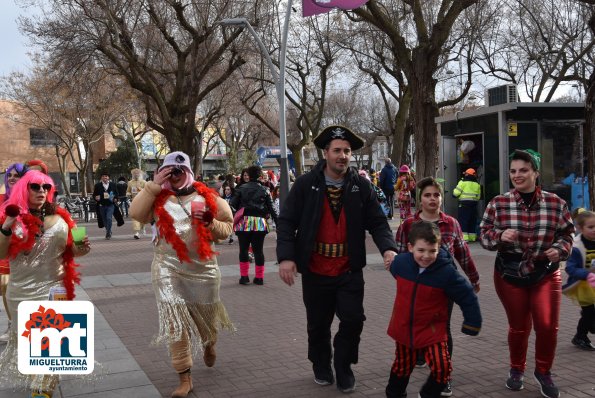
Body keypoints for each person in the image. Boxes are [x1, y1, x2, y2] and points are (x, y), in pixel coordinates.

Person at [277, 125, 398, 393]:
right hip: (316, 271)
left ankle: (343, 367)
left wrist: (389, 249)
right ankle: (321, 364)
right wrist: (286, 258)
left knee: (353, 319)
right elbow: (286, 221)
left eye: (347, 151)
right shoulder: (306, 185)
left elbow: (378, 223)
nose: (342, 155)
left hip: (348, 270)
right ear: (325, 153)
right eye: (337, 150)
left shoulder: (362, 186)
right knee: (318, 325)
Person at [129, 151, 234, 398]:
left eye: (179, 171)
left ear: (188, 172)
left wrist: (210, 223)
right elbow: (136, 214)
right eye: (169, 171)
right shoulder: (156, 197)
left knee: (206, 324)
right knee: (174, 322)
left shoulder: (208, 197)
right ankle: (184, 377)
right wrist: (153, 186)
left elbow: (227, 229)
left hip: (203, 269)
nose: (174, 176)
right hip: (167, 268)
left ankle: (210, 343)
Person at [480, 149, 574, 398]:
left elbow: (567, 234)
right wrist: (500, 236)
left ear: (535, 172)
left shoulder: (556, 203)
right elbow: (484, 236)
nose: (517, 175)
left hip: (545, 271)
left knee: (547, 325)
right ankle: (516, 370)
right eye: (513, 171)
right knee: (519, 327)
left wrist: (559, 249)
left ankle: (543, 371)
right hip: (510, 274)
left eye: (523, 170)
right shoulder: (499, 203)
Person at [0, 170, 91, 396]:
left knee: (50, 347)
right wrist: (7, 226)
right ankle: (39, 387)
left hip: (53, 289)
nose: (42, 191)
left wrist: (82, 248)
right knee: (31, 347)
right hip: (19, 292)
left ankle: (42, 391)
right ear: (24, 188)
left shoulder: (61, 219)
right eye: (35, 186)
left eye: (46, 187)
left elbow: (71, 252)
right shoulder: (10, 219)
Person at [395, 176, 480, 396]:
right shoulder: (408, 225)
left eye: (436, 195)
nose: (432, 199)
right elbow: (400, 255)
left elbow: (462, 252)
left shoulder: (451, 223)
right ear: (420, 199)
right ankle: (419, 355)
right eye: (427, 195)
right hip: (415, 287)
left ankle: (443, 377)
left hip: (443, 287)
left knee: (442, 329)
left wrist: (473, 277)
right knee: (414, 325)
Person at [230, 165, 278, 285]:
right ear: (260, 176)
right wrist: (279, 224)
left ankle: (244, 277)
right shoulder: (265, 190)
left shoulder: (240, 188)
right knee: (258, 251)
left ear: (249, 175)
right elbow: (272, 209)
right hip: (259, 222)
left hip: (244, 221)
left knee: (243, 250)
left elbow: (232, 204)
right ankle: (259, 277)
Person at [0, 163, 27, 343]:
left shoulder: (30, 197)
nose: (11, 178)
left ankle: (22, 326)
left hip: (24, 252)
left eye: (16, 176)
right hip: (4, 249)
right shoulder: (2, 198)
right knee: (4, 286)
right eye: (9, 175)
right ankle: (12, 324)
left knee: (20, 289)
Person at [562, 210, 595, 351]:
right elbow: (570, 268)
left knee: (590, 315)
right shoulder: (575, 247)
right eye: (591, 227)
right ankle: (581, 336)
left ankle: (581, 334)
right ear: (581, 228)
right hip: (582, 286)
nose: (594, 230)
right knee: (590, 315)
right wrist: (586, 274)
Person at [452, 168, 481, 242]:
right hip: (474, 205)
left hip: (464, 205)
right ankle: (472, 238)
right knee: (472, 221)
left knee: (463, 221)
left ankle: (464, 238)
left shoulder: (462, 182)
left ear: (467, 174)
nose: (464, 174)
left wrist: (454, 194)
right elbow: (478, 197)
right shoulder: (477, 184)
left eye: (465, 173)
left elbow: (456, 193)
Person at [93, 172, 121, 239]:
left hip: (110, 204)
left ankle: (108, 233)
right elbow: (94, 195)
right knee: (104, 219)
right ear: (101, 178)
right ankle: (108, 230)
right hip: (101, 205)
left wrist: (116, 199)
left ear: (108, 177)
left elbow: (117, 194)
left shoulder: (113, 185)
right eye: (103, 176)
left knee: (109, 218)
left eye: (106, 176)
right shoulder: (97, 185)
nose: (104, 177)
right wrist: (96, 198)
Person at [127, 168, 147, 239]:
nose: (136, 174)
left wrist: (140, 189)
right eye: (134, 173)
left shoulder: (144, 182)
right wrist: (128, 194)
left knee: (142, 218)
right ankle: (136, 232)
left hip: (142, 202)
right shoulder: (130, 182)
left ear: (140, 174)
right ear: (132, 174)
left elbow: (147, 191)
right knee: (135, 217)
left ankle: (143, 227)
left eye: (137, 173)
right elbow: (128, 191)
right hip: (134, 202)